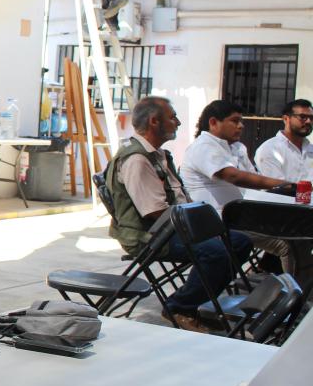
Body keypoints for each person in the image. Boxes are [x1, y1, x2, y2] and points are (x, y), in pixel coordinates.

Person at [105, 97, 251, 332]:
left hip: (173, 227)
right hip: (150, 236)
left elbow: (177, 200)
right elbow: (155, 212)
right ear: (154, 121)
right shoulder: (137, 159)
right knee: (215, 252)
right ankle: (180, 306)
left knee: (240, 242)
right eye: (172, 117)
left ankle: (199, 302)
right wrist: (202, 226)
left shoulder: (158, 154)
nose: (178, 122)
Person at [180, 99, 309, 285]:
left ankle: (299, 289)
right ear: (213, 122)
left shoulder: (237, 147)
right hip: (218, 222)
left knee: (301, 232)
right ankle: (296, 296)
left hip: (245, 216)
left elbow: (253, 179)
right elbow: (235, 177)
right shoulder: (203, 147)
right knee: (289, 243)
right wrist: (287, 184)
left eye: (241, 121)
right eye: (234, 121)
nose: (241, 126)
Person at [254, 99, 313, 182]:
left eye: (311, 118)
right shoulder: (270, 149)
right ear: (286, 119)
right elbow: (276, 187)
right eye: (302, 117)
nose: (308, 121)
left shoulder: (311, 149)